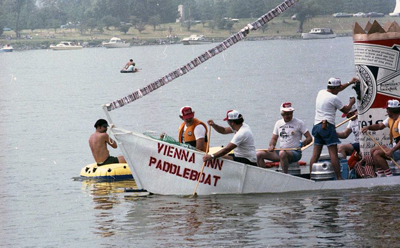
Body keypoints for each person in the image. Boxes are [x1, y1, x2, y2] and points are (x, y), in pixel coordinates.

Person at [309, 77, 358, 179]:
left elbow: (338, 88)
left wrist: (350, 82)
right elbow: (346, 110)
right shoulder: (334, 98)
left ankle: (311, 177)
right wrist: (351, 103)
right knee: (333, 154)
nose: (339, 91)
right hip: (327, 126)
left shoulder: (321, 92)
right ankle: (339, 178)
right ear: (335, 88)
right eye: (338, 88)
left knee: (315, 155)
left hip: (317, 126)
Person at [256, 102, 312, 173]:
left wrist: (304, 142)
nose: (289, 115)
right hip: (280, 151)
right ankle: (262, 175)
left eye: (290, 113)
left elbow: (309, 138)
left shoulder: (299, 123)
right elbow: (274, 138)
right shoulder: (278, 123)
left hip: (294, 152)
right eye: (286, 114)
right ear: (282, 114)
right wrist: (272, 145)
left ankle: (284, 175)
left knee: (282, 153)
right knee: (259, 154)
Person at [360, 99, 400, 177]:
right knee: (372, 150)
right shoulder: (390, 119)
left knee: (377, 153)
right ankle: (380, 173)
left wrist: (391, 151)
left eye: (387, 109)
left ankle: (389, 175)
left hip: (397, 149)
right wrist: (368, 127)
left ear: (391, 110)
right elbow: (379, 126)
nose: (386, 111)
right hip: (394, 147)